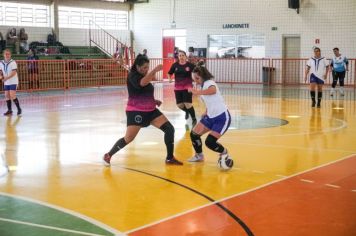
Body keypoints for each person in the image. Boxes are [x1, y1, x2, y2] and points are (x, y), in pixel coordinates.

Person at [103, 54, 183, 166]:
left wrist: (154, 101)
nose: (146, 70)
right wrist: (154, 70)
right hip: (136, 111)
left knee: (169, 129)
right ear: (137, 67)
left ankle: (170, 158)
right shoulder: (132, 76)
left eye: (147, 67)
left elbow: (143, 92)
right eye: (144, 68)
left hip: (151, 111)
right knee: (129, 138)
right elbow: (142, 83)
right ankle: (108, 155)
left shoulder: (144, 75)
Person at [187, 63, 231, 163]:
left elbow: (213, 91)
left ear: (203, 76)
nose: (196, 81)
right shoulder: (202, 86)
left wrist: (196, 92)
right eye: (194, 79)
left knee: (210, 142)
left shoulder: (209, 82)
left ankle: (224, 152)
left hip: (221, 118)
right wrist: (206, 111)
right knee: (194, 134)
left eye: (197, 78)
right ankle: (199, 156)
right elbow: (209, 100)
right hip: (210, 116)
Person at [167, 50, 197, 126]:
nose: (181, 57)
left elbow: (197, 72)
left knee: (187, 103)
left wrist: (196, 79)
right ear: (178, 57)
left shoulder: (190, 65)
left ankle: (194, 118)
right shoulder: (175, 65)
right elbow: (169, 73)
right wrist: (169, 78)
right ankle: (187, 111)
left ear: (185, 56)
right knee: (179, 105)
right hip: (177, 88)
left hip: (188, 87)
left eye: (183, 55)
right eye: (180, 55)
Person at [0, 49, 22, 116]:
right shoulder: (1, 62)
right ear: (3, 55)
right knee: (7, 95)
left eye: (8, 54)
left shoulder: (13, 62)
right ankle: (9, 110)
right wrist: (1, 76)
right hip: (6, 82)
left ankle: (19, 109)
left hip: (13, 81)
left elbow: (14, 72)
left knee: (12, 95)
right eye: (6, 54)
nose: (7, 55)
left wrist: (6, 78)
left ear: (10, 55)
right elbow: (0, 71)